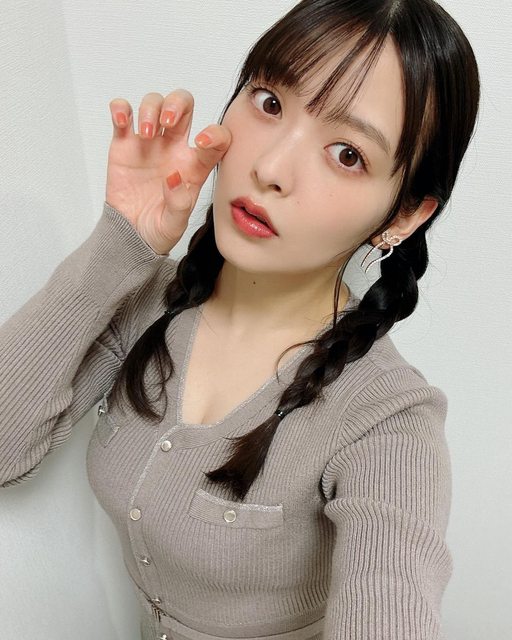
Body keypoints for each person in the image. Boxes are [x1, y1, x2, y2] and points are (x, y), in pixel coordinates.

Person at [0, 0, 480, 638]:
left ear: (403, 215)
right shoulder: (148, 301)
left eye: (347, 154)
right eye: (270, 102)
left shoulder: (387, 421)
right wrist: (123, 242)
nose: (269, 168)